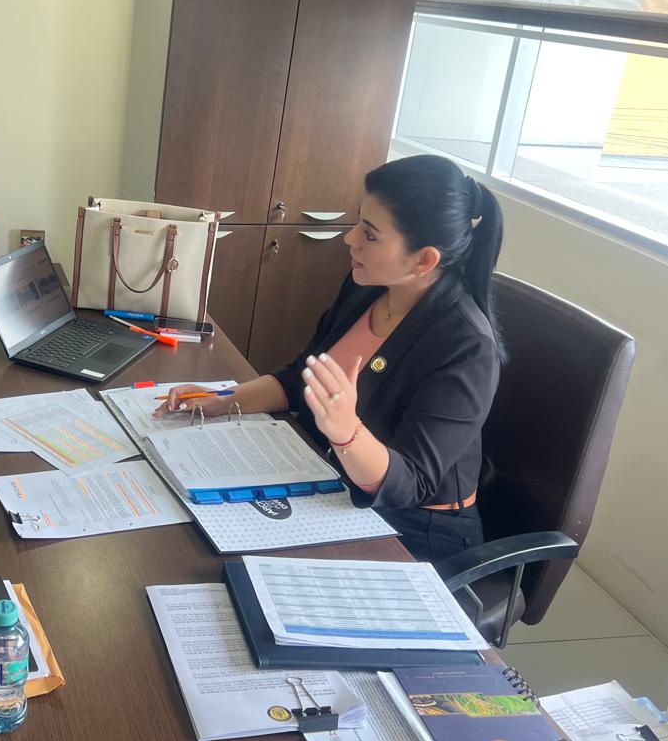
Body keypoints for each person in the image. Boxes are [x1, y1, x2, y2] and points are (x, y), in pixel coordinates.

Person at [156, 155, 505, 561]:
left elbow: (409, 484)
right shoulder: (367, 286)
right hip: (328, 476)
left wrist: (345, 430)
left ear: (424, 259)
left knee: (216, 563)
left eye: (370, 234)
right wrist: (222, 399)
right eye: (358, 222)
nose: (349, 239)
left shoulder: (467, 345)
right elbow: (300, 378)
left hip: (414, 531)